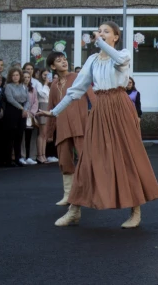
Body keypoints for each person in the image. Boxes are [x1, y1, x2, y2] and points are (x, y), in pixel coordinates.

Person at [38, 21, 158, 228]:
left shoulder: (122, 54)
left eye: (106, 32)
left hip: (120, 107)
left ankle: (135, 211)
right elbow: (75, 90)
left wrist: (100, 41)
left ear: (115, 37)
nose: (101, 34)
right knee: (88, 159)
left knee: (127, 156)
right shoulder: (93, 60)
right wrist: (54, 112)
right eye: (100, 31)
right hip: (100, 108)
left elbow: (119, 59)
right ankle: (74, 210)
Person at [46, 51, 95, 206]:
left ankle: (91, 194)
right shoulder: (53, 85)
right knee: (65, 161)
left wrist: (100, 114)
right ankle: (68, 195)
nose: (64, 62)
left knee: (86, 160)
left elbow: (92, 97)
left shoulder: (77, 77)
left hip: (80, 125)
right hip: (62, 128)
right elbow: (51, 107)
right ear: (53, 66)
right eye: (59, 60)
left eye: (65, 59)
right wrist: (49, 131)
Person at [3, 68, 29, 167]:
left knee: (19, 136)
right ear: (10, 76)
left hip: (22, 113)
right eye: (13, 75)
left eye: (17, 75)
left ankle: (18, 159)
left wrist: (25, 109)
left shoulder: (23, 86)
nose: (15, 77)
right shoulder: (8, 86)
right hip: (12, 112)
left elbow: (28, 100)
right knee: (10, 137)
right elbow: (10, 99)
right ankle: (8, 160)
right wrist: (22, 108)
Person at [21, 71, 39, 165]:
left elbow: (36, 101)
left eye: (28, 77)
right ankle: (22, 156)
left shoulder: (32, 89)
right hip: (22, 114)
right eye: (24, 77)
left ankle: (30, 156)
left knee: (30, 136)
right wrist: (25, 111)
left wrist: (32, 112)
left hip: (30, 115)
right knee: (22, 136)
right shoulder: (20, 88)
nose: (26, 79)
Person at [35, 69, 52, 164]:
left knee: (45, 134)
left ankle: (44, 154)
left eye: (48, 75)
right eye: (44, 75)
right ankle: (39, 155)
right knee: (42, 133)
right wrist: (46, 83)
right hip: (42, 105)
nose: (46, 77)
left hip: (48, 107)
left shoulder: (49, 86)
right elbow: (43, 94)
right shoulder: (39, 84)